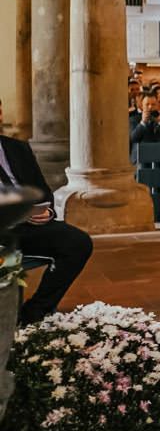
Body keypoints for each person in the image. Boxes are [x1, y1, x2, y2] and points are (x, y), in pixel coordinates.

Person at [0, 99, 93, 325]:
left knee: (79, 243)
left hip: (29, 226)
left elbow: (43, 191)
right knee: (7, 260)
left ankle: (34, 311)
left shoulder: (17, 148)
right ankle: (7, 321)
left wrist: (46, 212)